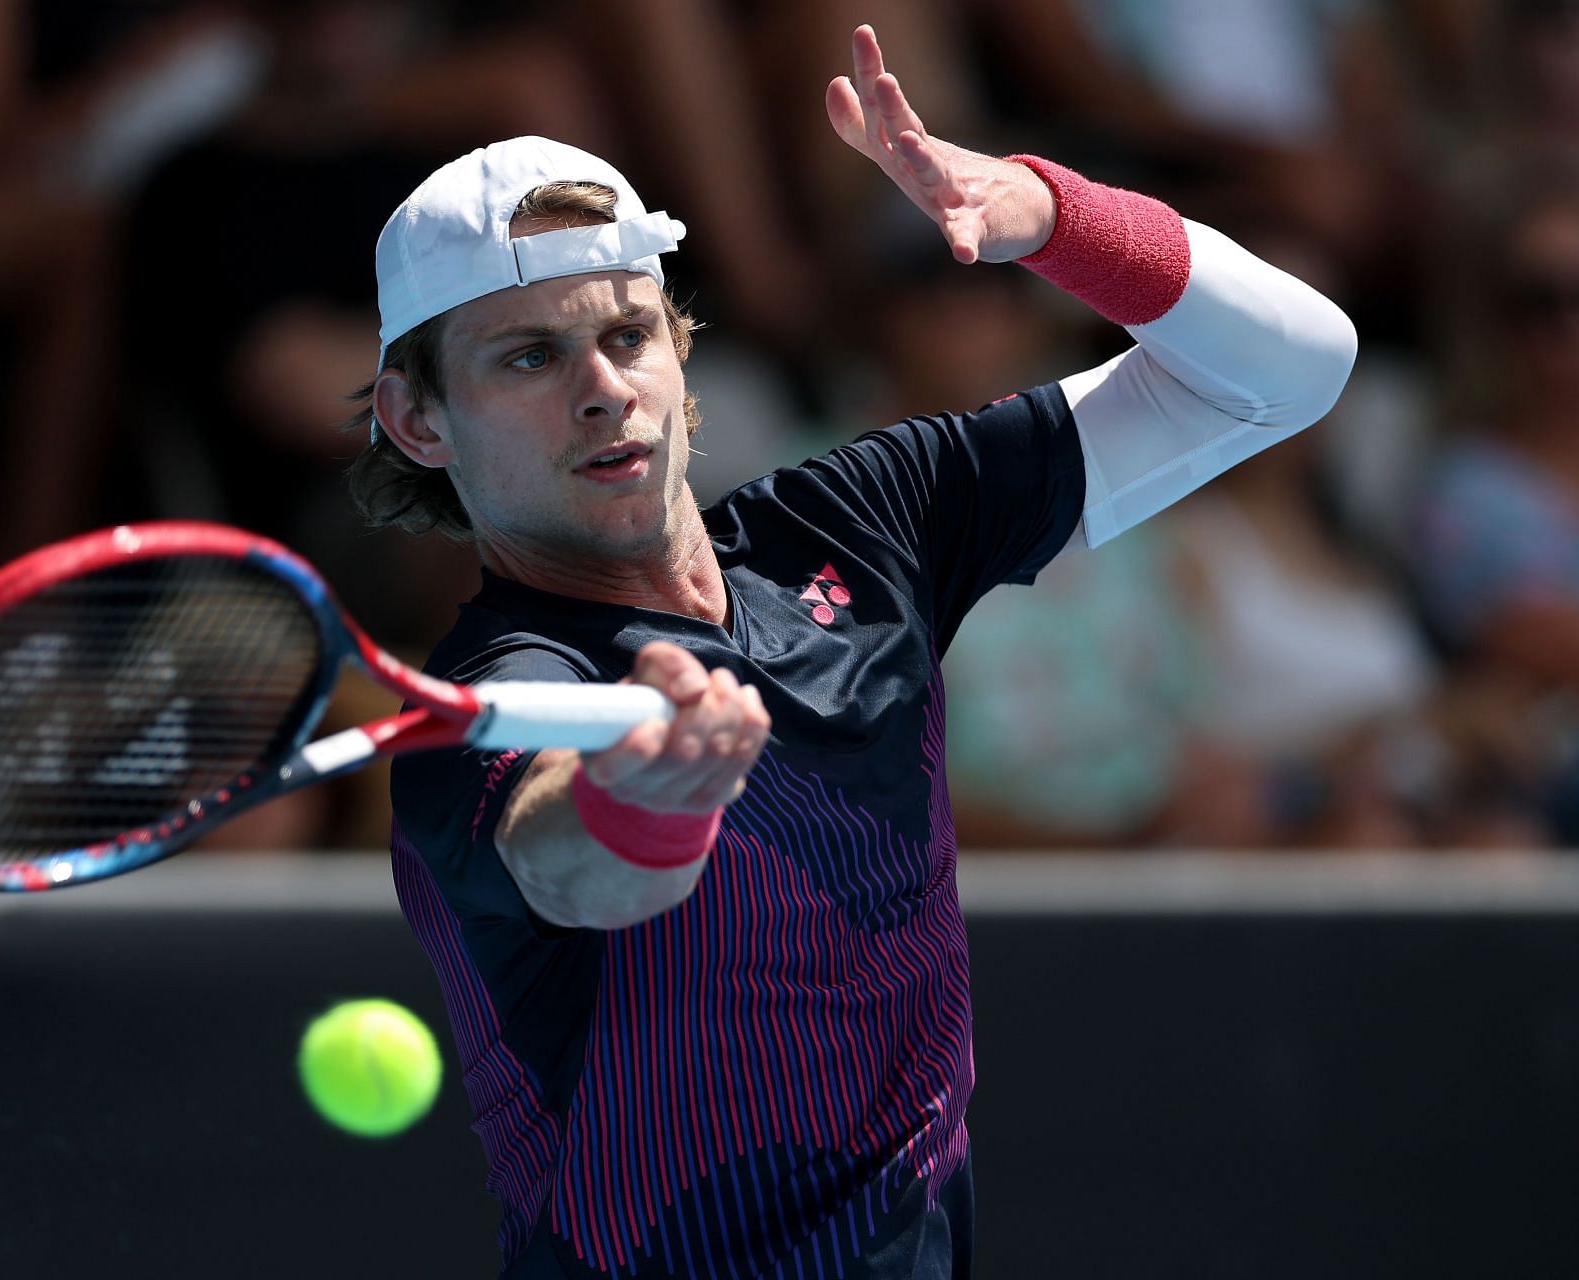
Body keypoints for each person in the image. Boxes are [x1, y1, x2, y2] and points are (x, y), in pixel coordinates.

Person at [352, 26, 1356, 1278]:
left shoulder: (865, 522)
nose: (604, 388)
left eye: (628, 333)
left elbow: (1293, 368)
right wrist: (647, 802)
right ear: (417, 419)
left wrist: (1050, 213)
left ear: (681, 345)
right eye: (529, 357)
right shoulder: (497, 704)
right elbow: (571, 869)